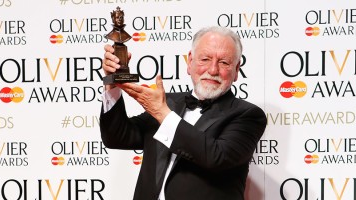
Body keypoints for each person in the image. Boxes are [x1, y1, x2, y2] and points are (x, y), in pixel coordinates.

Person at [100, 26, 267, 200]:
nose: (213, 70)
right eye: (205, 59)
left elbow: (217, 157)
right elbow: (117, 136)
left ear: (237, 69)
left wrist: (163, 113)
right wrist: (111, 83)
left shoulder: (248, 115)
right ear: (190, 62)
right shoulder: (168, 103)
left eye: (224, 62)